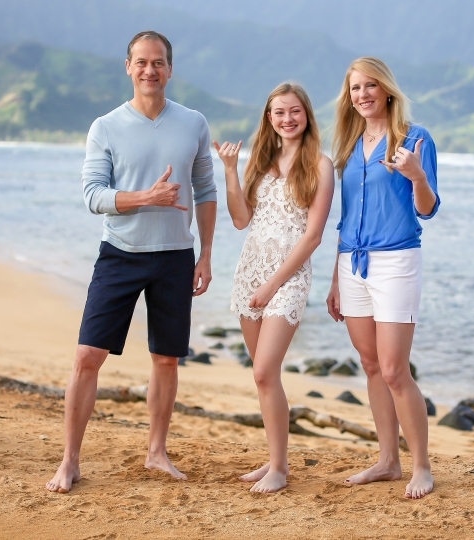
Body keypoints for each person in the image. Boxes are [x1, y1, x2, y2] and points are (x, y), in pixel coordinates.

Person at [46, 30, 217, 493]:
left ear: (170, 68)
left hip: (176, 258)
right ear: (128, 67)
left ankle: (156, 452)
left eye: (158, 62)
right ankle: (70, 461)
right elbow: (92, 195)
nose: (150, 70)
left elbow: (206, 189)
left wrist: (206, 255)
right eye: (141, 62)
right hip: (120, 255)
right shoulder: (105, 127)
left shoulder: (194, 123)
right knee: (87, 356)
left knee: (166, 359)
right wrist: (147, 197)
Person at [325, 57, 440, 499]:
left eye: (371, 86)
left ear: (387, 90)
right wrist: (336, 278)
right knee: (371, 365)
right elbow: (346, 215)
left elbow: (427, 208)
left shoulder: (416, 138)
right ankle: (388, 461)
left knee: (394, 369)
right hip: (351, 263)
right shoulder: (351, 143)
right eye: (355, 88)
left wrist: (416, 175)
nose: (363, 95)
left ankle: (422, 466)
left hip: (395, 262)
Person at [214, 83, 334, 494]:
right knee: (266, 378)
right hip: (249, 272)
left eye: (294, 111)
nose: (287, 119)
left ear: (307, 115)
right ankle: (274, 459)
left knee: (265, 369)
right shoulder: (259, 163)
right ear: (269, 118)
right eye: (279, 112)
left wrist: (271, 286)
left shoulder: (320, 164)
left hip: (286, 279)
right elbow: (240, 219)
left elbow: (313, 236)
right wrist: (230, 170)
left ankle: (280, 470)